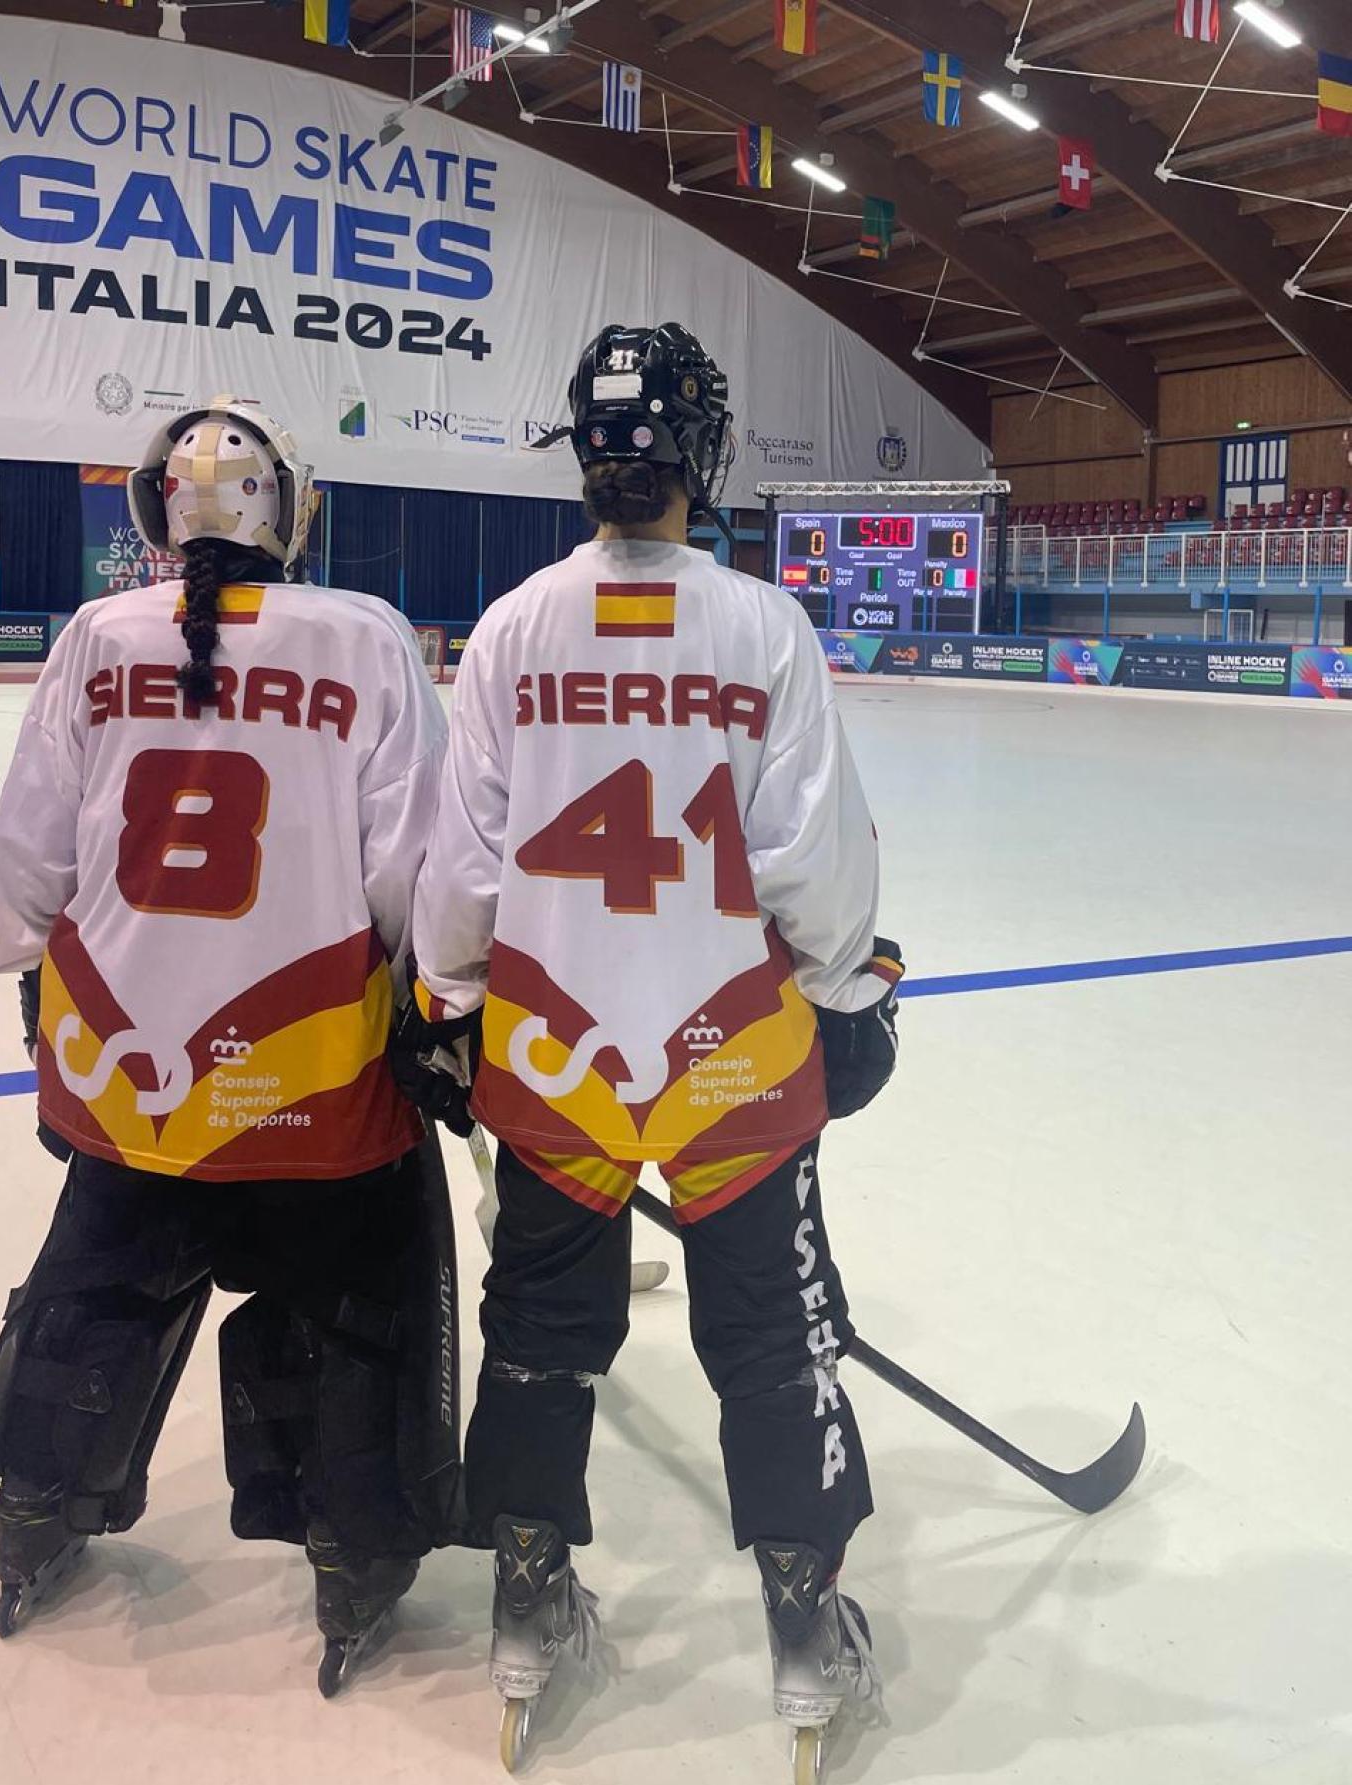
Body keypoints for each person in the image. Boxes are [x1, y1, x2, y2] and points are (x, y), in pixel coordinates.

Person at [397, 325, 903, 1775]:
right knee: (769, 1338)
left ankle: (526, 1603)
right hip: (729, 1057)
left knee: (541, 1336)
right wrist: (850, 1000)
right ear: (702, 451)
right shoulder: (761, 627)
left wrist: (444, 999)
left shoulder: (508, 629)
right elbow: (812, 861)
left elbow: (462, 871)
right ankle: (806, 1631)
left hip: (558, 1057)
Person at [0, 397, 458, 1697]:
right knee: (358, 1299)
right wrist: (440, 1007)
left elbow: (29, 846)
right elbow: (415, 864)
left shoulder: (97, 632)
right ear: (291, 512)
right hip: (311, 1066)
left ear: (154, 515)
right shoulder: (363, 637)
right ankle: (355, 1550)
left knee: (102, 1278)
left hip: (127, 1055)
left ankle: (37, 1506)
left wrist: (32, 982)